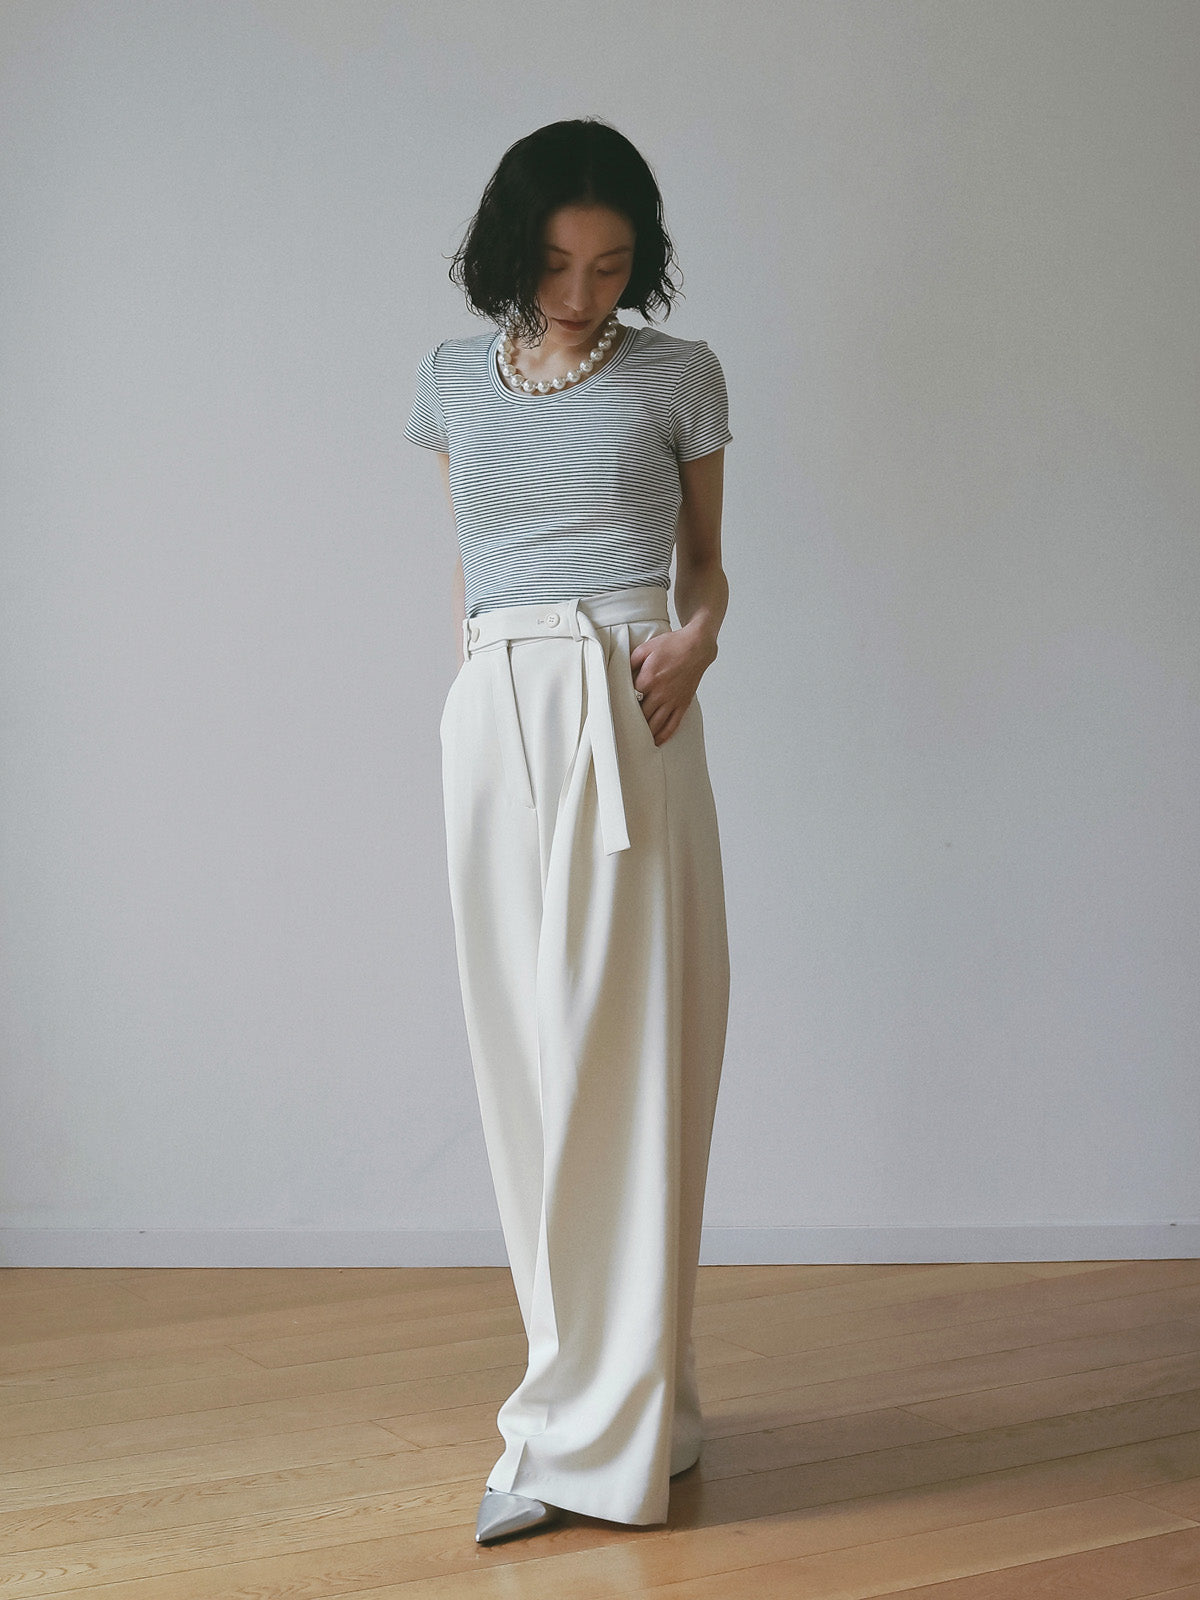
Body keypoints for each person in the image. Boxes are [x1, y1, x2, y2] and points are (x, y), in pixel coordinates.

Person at [404, 117, 731, 1545]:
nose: (582, 294)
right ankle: (633, 1401)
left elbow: (706, 567)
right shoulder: (447, 379)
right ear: (509, 251)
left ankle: (576, 1438)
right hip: (496, 709)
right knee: (524, 1064)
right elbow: (470, 560)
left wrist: (697, 641)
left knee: (624, 1056)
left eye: (609, 267)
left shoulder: (678, 373)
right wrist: (478, 700)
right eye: (554, 264)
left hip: (624, 694)